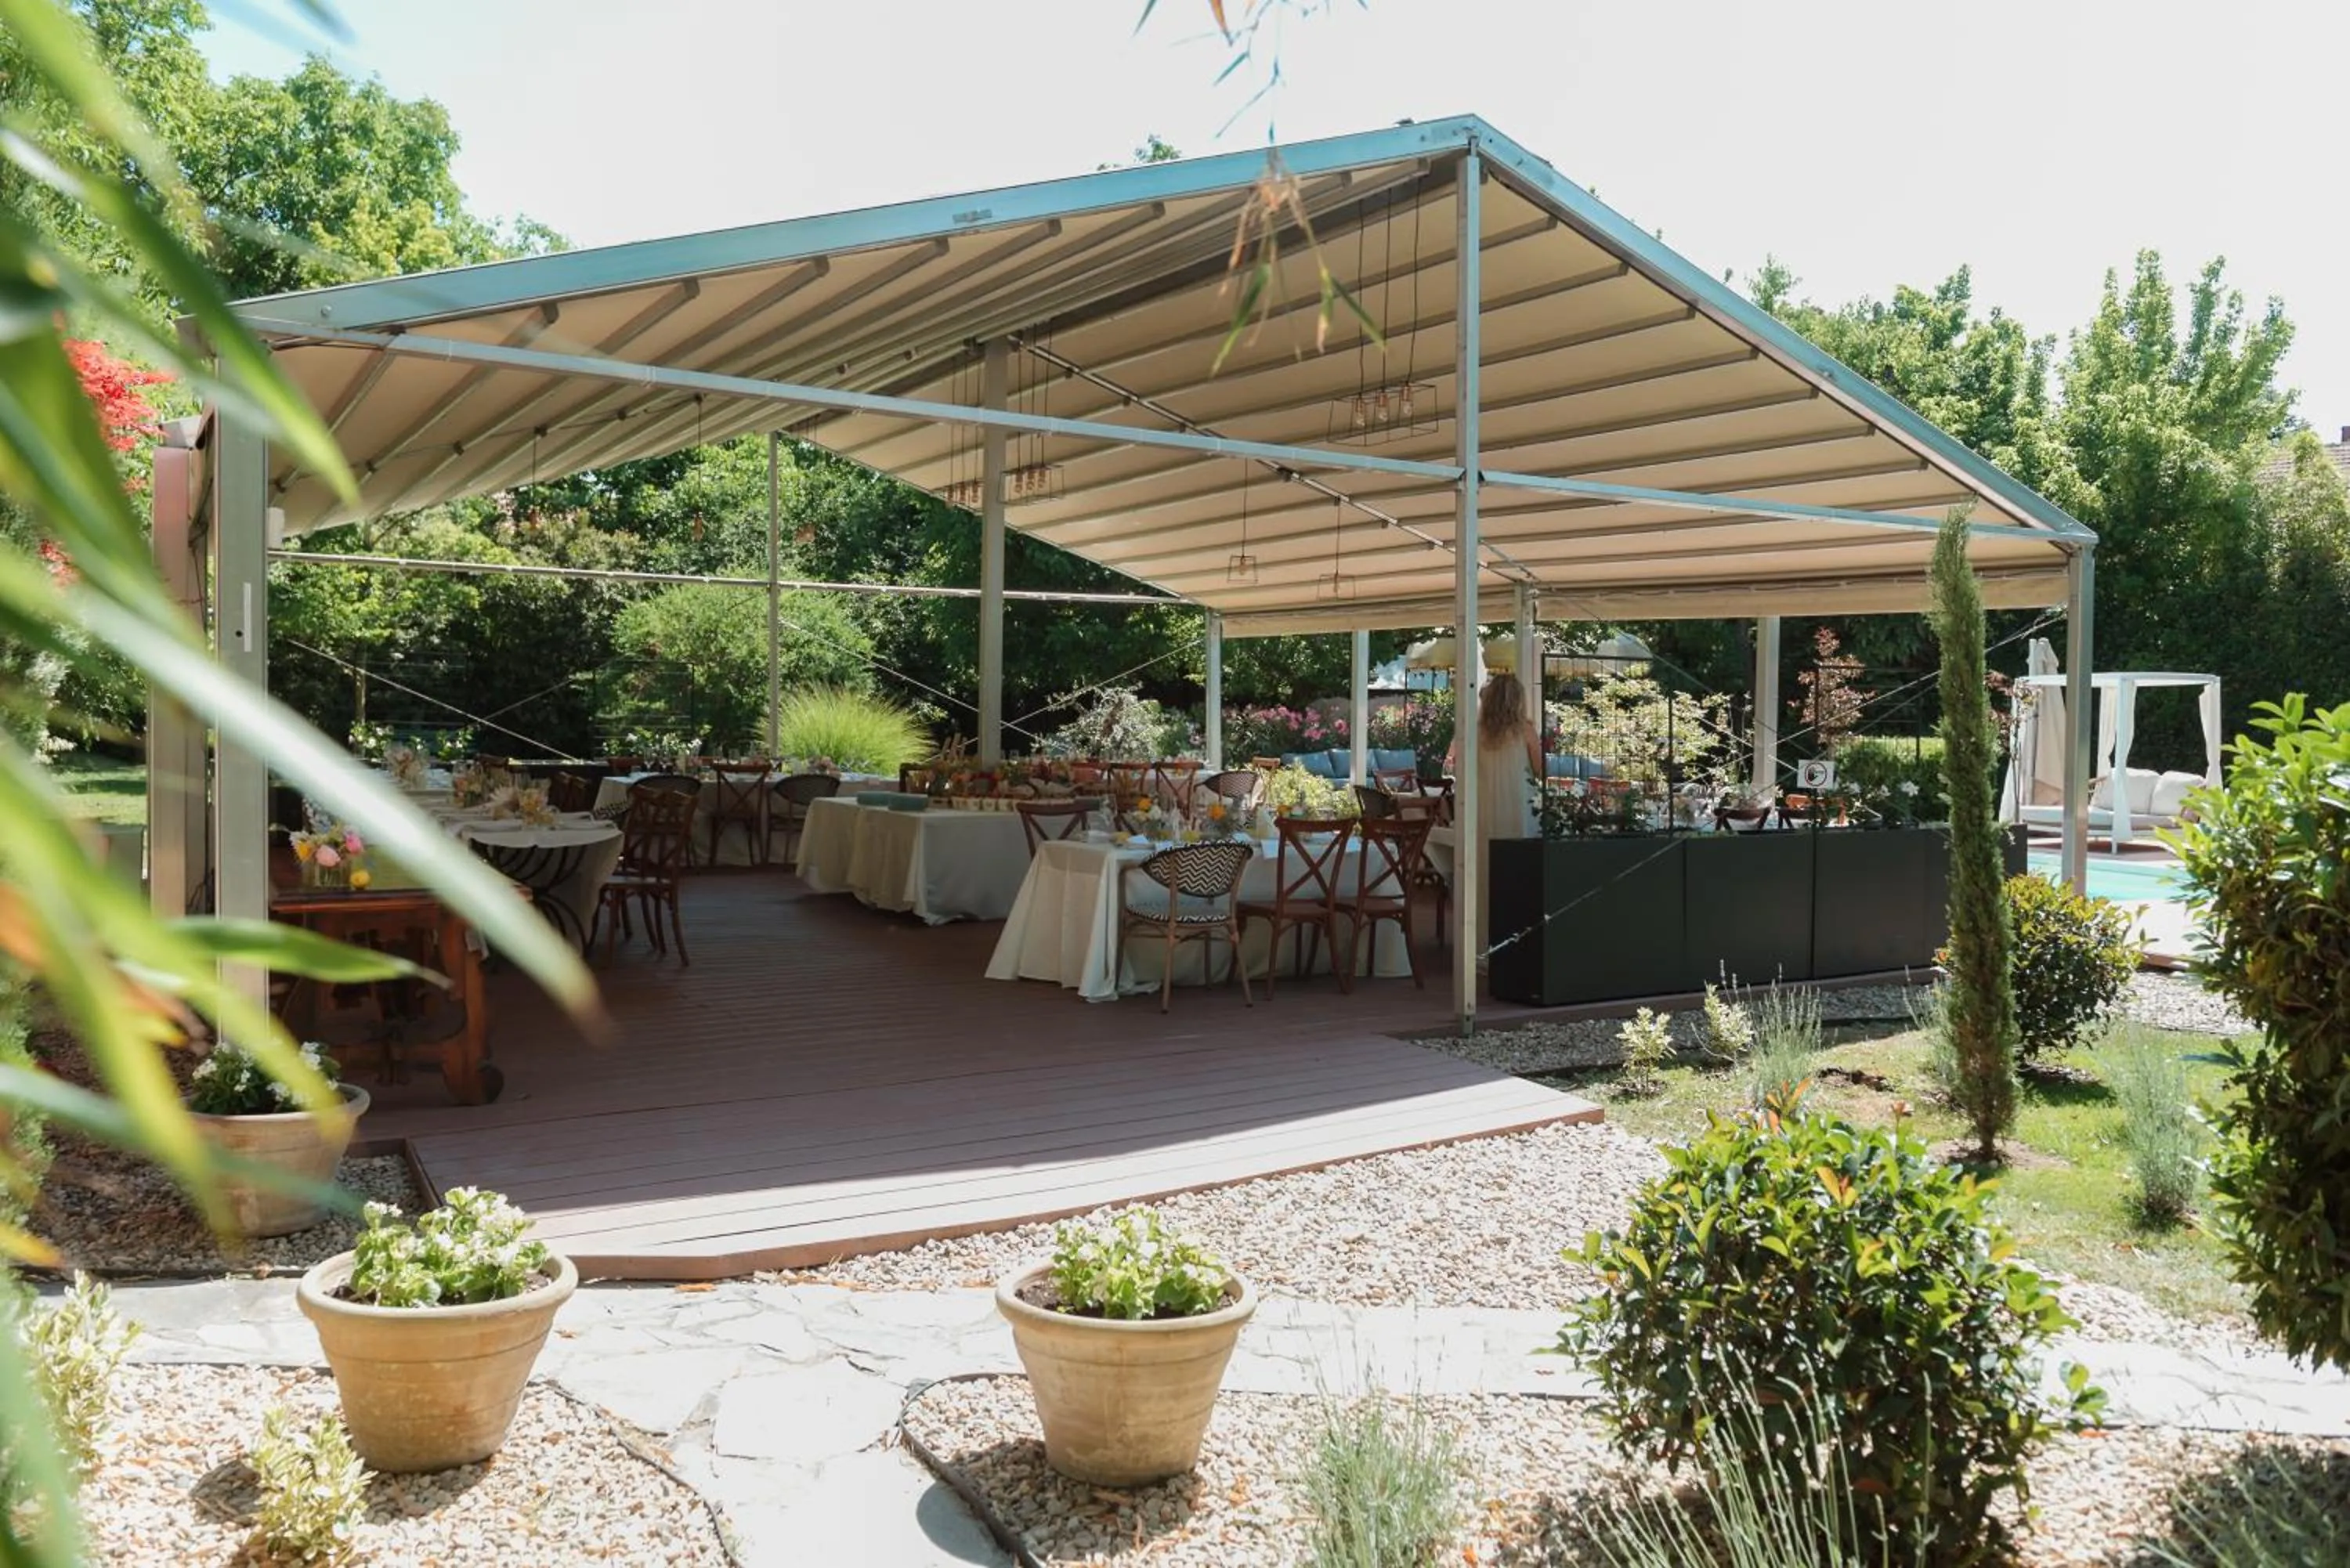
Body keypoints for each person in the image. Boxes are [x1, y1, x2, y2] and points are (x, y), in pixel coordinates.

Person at [1444, 671, 1544, 952]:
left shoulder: (1473, 732)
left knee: (1482, 876)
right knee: (1515, 876)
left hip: (1482, 812)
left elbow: (1458, 770)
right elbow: (1540, 771)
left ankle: (1479, 945)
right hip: (1518, 812)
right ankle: (1513, 944)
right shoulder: (1526, 731)